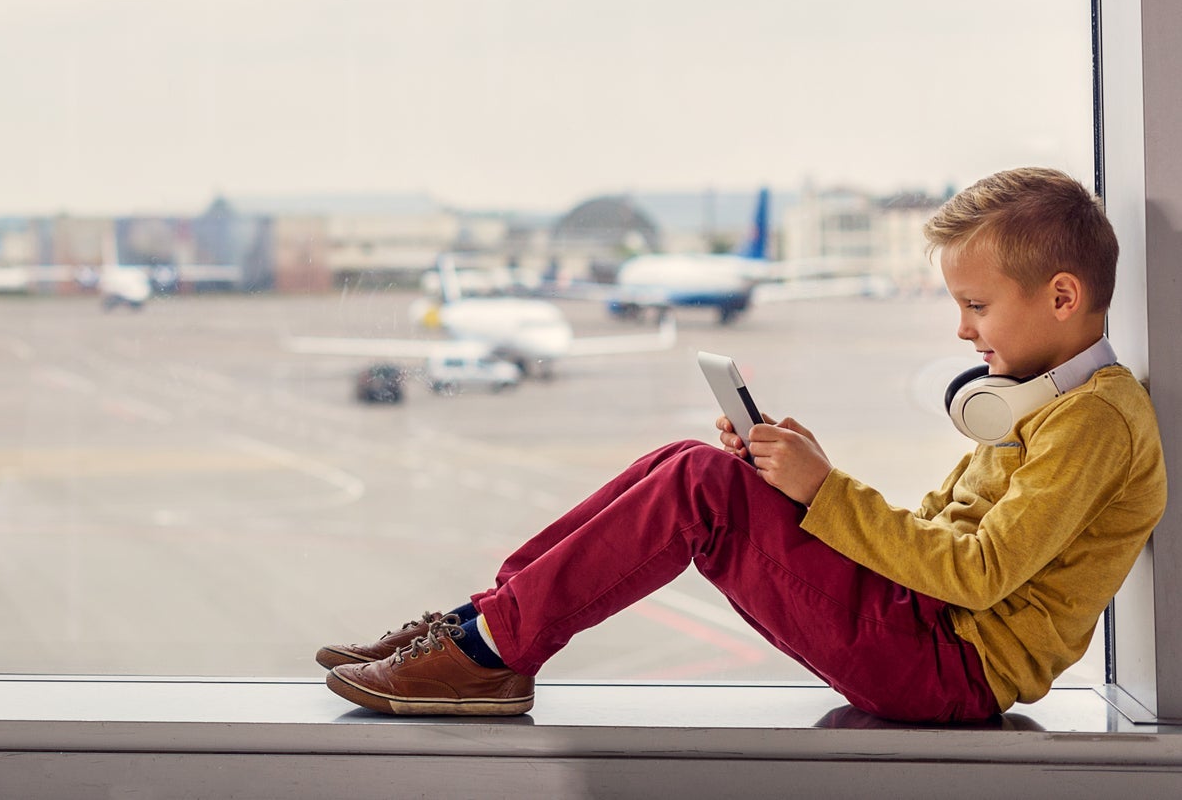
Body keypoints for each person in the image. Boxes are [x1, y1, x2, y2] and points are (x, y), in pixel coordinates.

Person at [318, 168, 1166, 723]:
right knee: (690, 467)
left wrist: (826, 493)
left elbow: (977, 572)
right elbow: (952, 549)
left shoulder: (1091, 420)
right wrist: (808, 481)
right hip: (923, 631)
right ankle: (476, 629)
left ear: (1061, 296)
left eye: (976, 307)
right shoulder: (1045, 404)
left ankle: (488, 654)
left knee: (695, 484)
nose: (960, 327)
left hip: (947, 667)